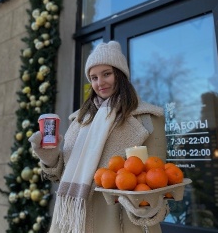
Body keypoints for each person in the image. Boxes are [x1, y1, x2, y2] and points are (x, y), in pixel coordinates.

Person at [29, 41, 168, 233]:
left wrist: (144, 206)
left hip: (122, 222)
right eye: (93, 77)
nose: (99, 83)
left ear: (120, 75)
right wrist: (49, 156)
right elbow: (61, 174)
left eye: (107, 74)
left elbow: (156, 179)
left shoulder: (148, 118)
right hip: (75, 221)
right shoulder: (79, 120)